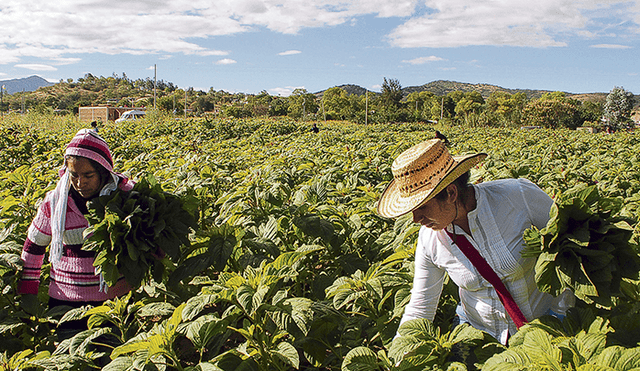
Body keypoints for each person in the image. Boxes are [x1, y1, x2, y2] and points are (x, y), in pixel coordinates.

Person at [377, 139, 573, 344]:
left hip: (542, 328)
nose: (416, 219)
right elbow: (421, 304)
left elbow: (570, 249)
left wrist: (560, 315)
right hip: (476, 336)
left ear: (451, 193)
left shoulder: (518, 196)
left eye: (422, 207)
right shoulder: (429, 239)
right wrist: (399, 355)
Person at [18, 129, 133, 336]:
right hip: (65, 302)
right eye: (74, 175)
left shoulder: (125, 198)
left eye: (88, 175)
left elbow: (148, 239)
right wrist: (28, 293)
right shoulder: (55, 203)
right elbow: (33, 247)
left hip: (114, 302)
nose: (80, 182)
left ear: (103, 171)